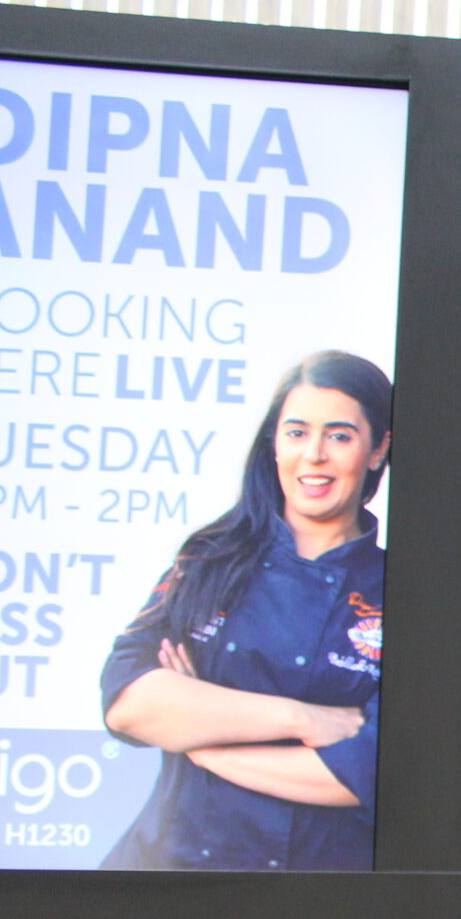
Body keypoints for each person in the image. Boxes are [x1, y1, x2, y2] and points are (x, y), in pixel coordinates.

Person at [100, 351, 392, 870]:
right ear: (274, 443)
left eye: (340, 436)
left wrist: (203, 742)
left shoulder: (400, 591)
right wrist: (305, 718)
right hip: (169, 874)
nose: (314, 455)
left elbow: (366, 772)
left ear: (377, 450)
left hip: (318, 891)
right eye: (297, 433)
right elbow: (128, 702)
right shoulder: (212, 558)